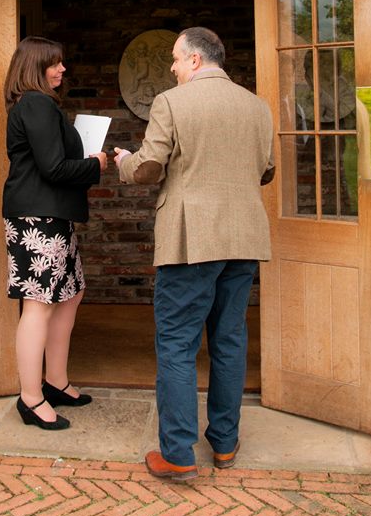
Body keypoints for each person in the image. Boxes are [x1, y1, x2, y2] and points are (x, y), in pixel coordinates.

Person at [114, 27, 274, 482]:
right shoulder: (257, 106)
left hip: (190, 239)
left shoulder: (171, 102)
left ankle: (179, 454)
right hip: (242, 238)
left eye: (176, 59)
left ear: (196, 61)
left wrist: (125, 161)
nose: (172, 67)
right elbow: (267, 170)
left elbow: (147, 167)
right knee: (229, 339)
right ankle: (224, 444)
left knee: (178, 344)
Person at [3, 36, 108, 430]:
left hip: (51, 215)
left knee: (71, 292)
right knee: (38, 303)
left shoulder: (39, 105)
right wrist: (95, 163)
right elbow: (54, 168)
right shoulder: (36, 103)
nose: (62, 69)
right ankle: (31, 399)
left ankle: (56, 381)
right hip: (37, 219)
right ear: (35, 67)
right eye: (54, 63)